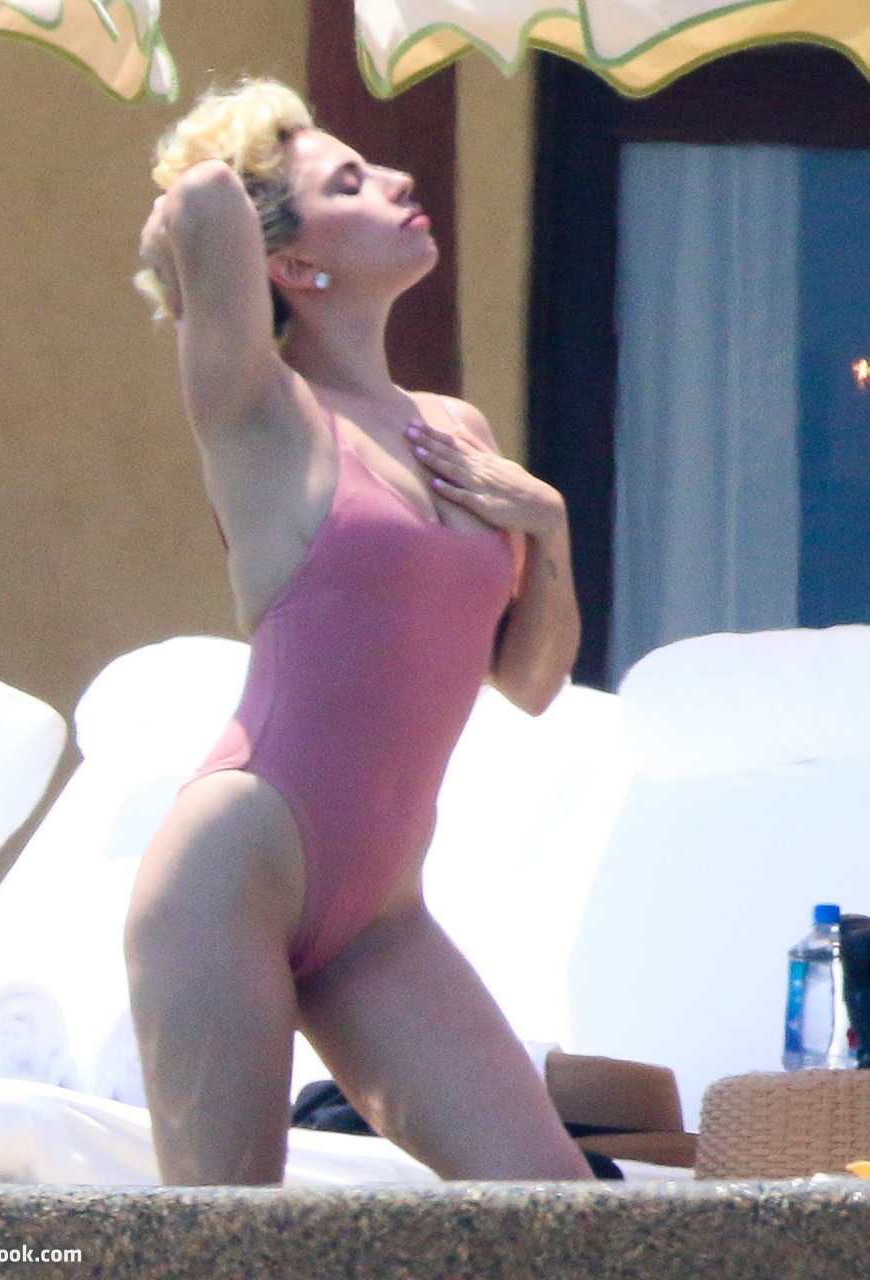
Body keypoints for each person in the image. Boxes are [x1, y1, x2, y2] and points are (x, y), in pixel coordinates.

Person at [124, 78, 591, 1186]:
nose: (398, 178)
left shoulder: (456, 431)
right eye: (350, 181)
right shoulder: (259, 411)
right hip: (229, 875)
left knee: (567, 1222)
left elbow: (530, 682)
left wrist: (547, 522)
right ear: (293, 265)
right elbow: (202, 196)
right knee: (227, 1248)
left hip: (382, 916)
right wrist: (211, 185)